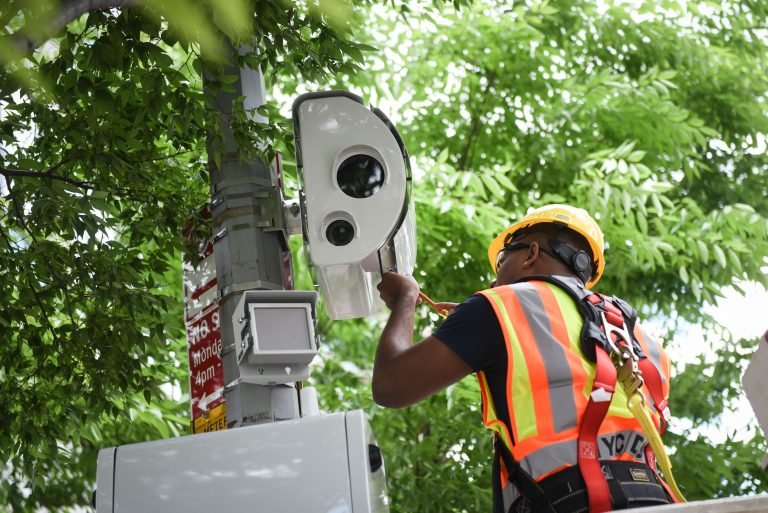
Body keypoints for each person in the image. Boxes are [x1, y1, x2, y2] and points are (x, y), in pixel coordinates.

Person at [372, 204, 676, 513]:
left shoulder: (500, 307)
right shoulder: (643, 339)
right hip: (657, 502)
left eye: (502, 261)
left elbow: (391, 385)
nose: (494, 282)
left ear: (530, 253)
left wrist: (404, 300)